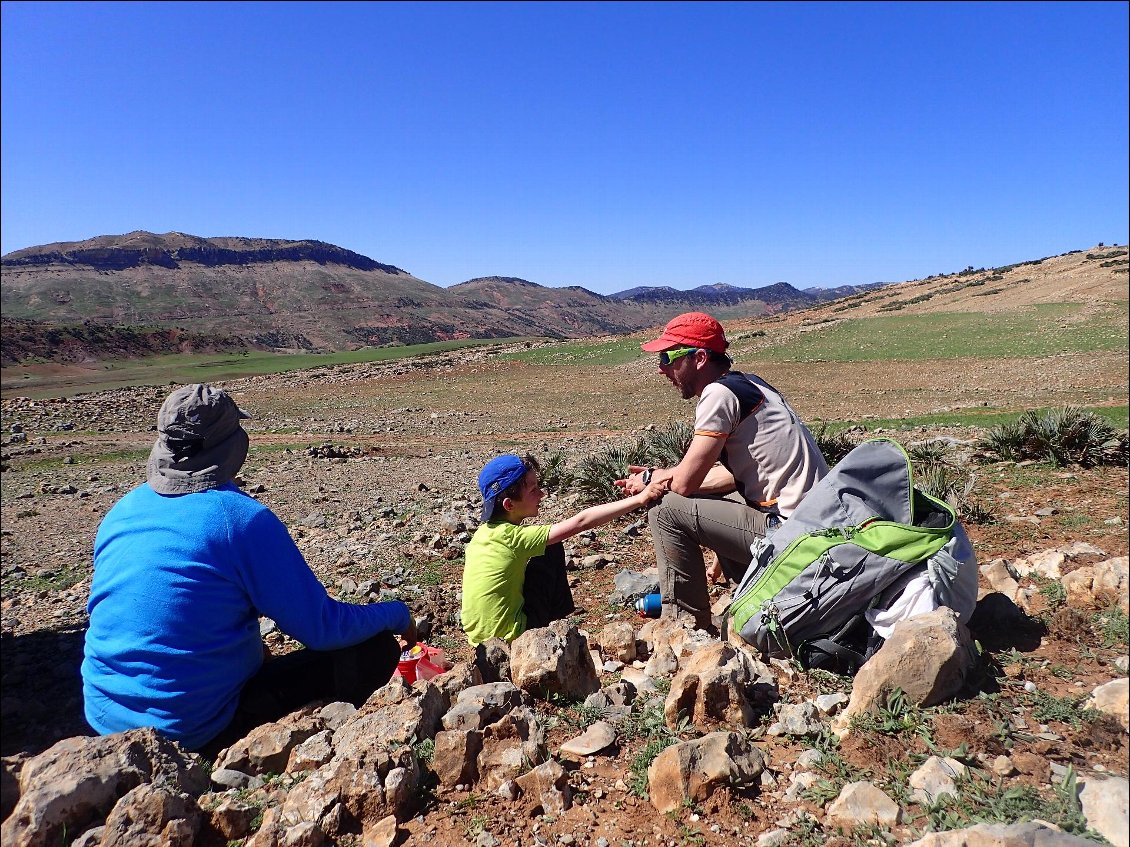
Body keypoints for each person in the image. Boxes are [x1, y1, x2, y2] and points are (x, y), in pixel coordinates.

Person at [81, 383, 416, 756]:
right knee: (373, 650)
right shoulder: (240, 519)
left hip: (102, 719)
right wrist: (396, 614)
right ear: (230, 446)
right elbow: (325, 629)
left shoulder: (122, 511)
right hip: (191, 728)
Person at [615, 312, 829, 633]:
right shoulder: (752, 384)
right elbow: (733, 476)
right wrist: (660, 476)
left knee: (664, 509)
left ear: (700, 358)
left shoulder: (718, 395)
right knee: (720, 493)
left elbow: (685, 484)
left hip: (792, 534)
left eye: (668, 357)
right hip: (816, 526)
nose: (662, 369)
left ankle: (687, 628)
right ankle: (753, 597)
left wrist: (651, 481)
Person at [461, 453, 665, 647]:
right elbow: (582, 522)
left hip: (479, 641)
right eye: (534, 490)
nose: (542, 494)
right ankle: (555, 627)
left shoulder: (482, 535)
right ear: (509, 505)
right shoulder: (514, 538)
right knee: (551, 547)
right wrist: (640, 499)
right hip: (513, 637)